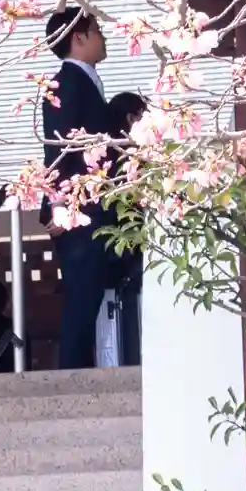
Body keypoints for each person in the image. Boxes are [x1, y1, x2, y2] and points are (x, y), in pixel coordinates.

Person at [42, 6, 114, 370]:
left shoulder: (83, 80)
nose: (104, 37)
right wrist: (58, 203)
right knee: (82, 297)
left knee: (90, 294)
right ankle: (73, 376)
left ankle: (81, 371)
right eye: (97, 30)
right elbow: (58, 147)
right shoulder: (65, 83)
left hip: (92, 202)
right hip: (78, 207)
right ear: (79, 37)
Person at [101, 92, 149, 368]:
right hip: (130, 239)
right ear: (131, 118)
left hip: (114, 242)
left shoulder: (104, 153)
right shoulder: (129, 155)